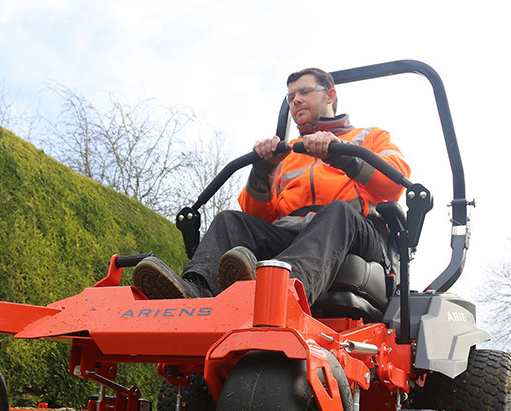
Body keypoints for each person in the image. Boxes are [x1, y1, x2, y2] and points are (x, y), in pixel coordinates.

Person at [132, 67, 410, 306]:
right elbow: (259, 216)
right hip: (294, 236)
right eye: (291, 97)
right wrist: (263, 168)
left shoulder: (369, 137)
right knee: (230, 220)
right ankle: (196, 291)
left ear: (330, 95)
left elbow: (394, 182)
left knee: (337, 212)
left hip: (357, 233)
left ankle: (282, 294)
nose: (296, 101)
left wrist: (342, 155)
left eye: (304, 92)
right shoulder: (286, 154)